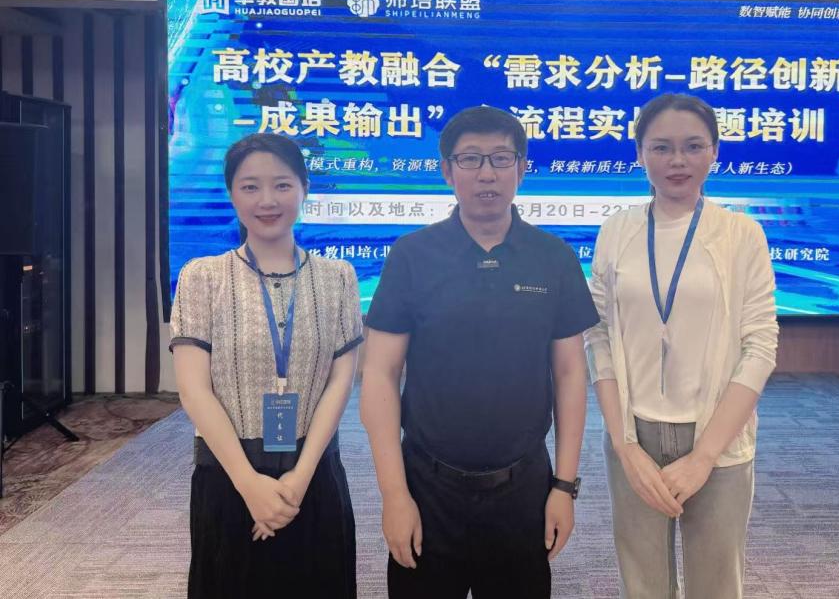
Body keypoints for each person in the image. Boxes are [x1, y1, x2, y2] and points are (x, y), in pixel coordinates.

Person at [360, 105, 598, 599]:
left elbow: (571, 374)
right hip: (428, 487)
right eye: (470, 159)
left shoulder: (553, 257)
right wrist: (394, 495)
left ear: (521, 168)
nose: (486, 173)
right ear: (447, 171)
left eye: (500, 158)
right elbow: (380, 373)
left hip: (523, 488)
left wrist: (564, 487)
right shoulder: (412, 255)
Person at [585, 93, 779, 599]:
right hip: (634, 431)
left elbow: (760, 347)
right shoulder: (616, 230)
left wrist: (704, 457)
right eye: (661, 147)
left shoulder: (741, 234)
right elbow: (598, 334)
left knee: (716, 585)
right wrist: (624, 444)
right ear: (639, 153)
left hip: (718, 435)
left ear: (714, 152)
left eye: (693, 146)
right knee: (642, 586)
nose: (677, 161)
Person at [170, 133, 362, 599]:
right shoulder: (202, 276)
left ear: (304, 189)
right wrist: (250, 486)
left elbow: (340, 382)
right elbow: (194, 391)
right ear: (232, 193)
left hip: (313, 473)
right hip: (228, 476)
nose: (267, 200)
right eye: (250, 186)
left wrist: (299, 477)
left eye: (282, 184)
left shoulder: (338, 277)